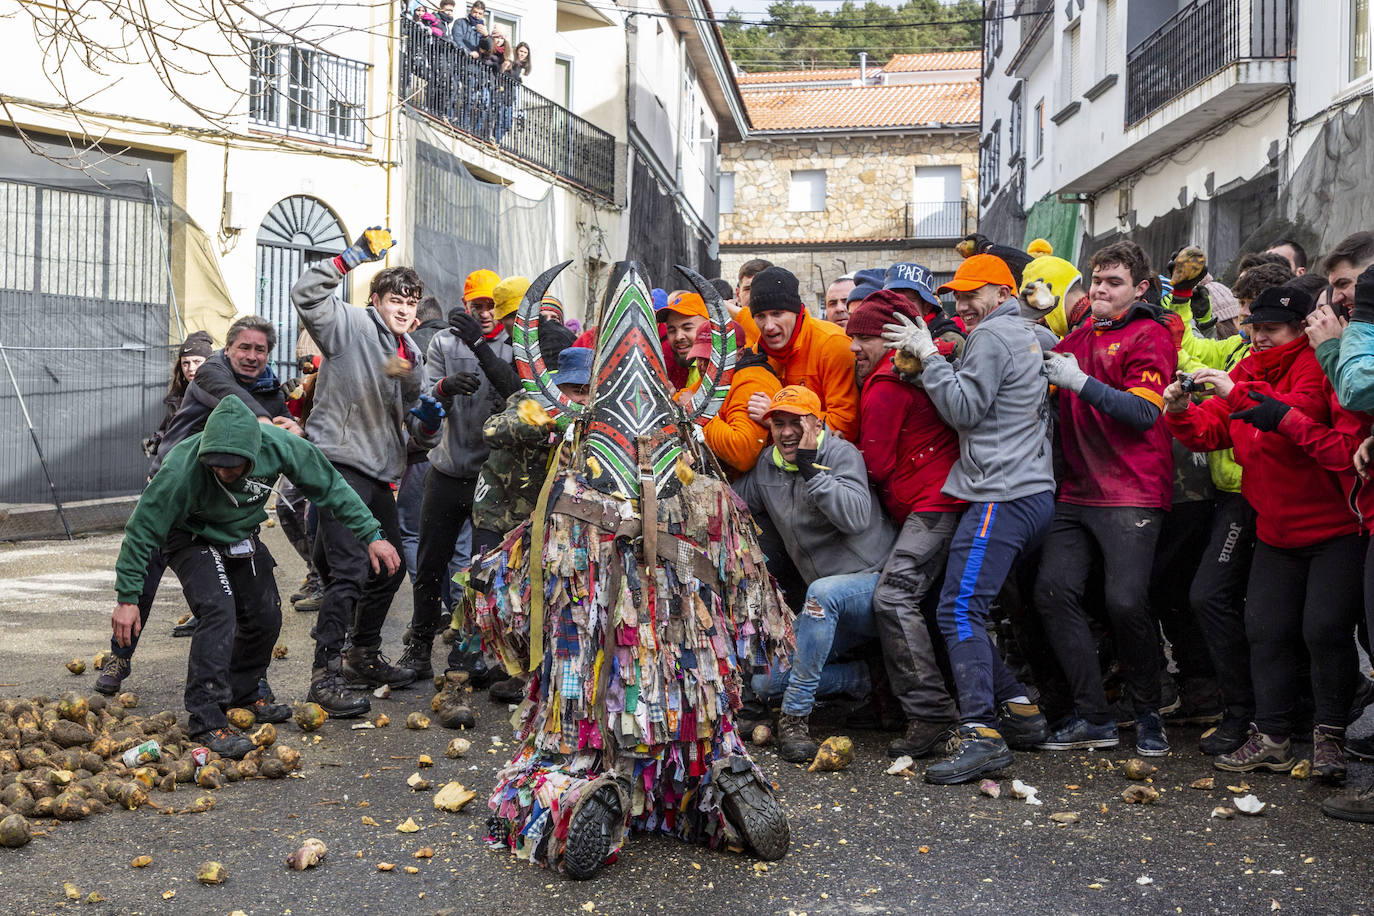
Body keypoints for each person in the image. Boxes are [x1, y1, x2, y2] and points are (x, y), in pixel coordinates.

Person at [111, 397, 400, 758]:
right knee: (218, 610)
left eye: (234, 468)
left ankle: (245, 693)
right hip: (189, 536)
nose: (224, 474)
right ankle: (206, 717)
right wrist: (127, 598)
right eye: (216, 466)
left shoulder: (280, 445)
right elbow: (141, 530)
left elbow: (330, 486)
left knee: (266, 613)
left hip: (240, 534)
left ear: (254, 452)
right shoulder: (182, 467)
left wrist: (372, 535)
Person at [1164, 284, 1365, 784]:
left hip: (1334, 529)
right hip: (1274, 528)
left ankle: (1329, 738)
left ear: (1301, 329)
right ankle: (1272, 738)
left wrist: (1245, 398)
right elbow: (1215, 429)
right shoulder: (1248, 368)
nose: (1257, 338)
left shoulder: (1319, 367)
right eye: (1253, 327)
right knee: (1266, 631)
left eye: (1270, 330)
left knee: (1323, 632)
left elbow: (1325, 436)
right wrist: (1179, 411)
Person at [880, 253, 1055, 784]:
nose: (961, 303)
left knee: (958, 610)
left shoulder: (991, 337)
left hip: (1001, 494)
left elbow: (965, 409)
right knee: (957, 606)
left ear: (1003, 293)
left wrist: (931, 359)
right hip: (1032, 492)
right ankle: (1021, 712)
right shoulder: (1030, 331)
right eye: (955, 294)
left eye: (972, 293)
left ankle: (981, 734)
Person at [291, 226, 444, 716]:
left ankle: (362, 654)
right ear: (376, 300)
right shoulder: (350, 327)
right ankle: (325, 674)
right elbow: (305, 293)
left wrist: (430, 418)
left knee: (390, 567)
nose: (404, 309)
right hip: (339, 463)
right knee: (351, 570)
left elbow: (415, 433)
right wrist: (352, 256)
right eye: (395, 299)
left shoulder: (412, 354)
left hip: (381, 472)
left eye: (411, 302)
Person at [1034, 241, 1177, 757]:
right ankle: (1093, 716)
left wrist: (1077, 380)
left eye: (1113, 281)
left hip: (1132, 490)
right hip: (1075, 491)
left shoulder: (1151, 334)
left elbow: (1143, 415)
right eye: (1095, 280)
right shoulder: (1076, 336)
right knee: (1052, 592)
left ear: (1139, 288)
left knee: (1124, 601)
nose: (1099, 289)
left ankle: (1148, 713)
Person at [735, 385, 897, 764]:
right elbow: (733, 500)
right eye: (779, 424)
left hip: (874, 583)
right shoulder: (768, 465)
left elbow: (856, 517)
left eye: (797, 423)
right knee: (764, 682)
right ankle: (862, 679)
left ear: (816, 422)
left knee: (821, 594)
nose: (787, 432)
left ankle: (795, 718)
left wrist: (811, 469)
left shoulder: (841, 454)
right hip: (825, 606)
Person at [847, 291, 964, 758]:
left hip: (932, 506)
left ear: (891, 337)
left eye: (866, 338)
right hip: (942, 499)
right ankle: (1002, 706)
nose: (854, 346)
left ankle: (931, 715)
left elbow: (873, 464)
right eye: (852, 336)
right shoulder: (911, 372)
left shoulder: (885, 384)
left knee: (894, 598)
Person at [398, 279, 514, 685]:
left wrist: (482, 353)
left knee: (481, 571)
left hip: (490, 476)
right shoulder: (444, 344)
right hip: (446, 469)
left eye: (491, 305)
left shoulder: (512, 346)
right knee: (430, 563)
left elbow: (520, 395)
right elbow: (426, 402)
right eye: (476, 305)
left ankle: (473, 651)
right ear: (464, 305)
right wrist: (445, 389)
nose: (484, 313)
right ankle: (419, 648)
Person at [468, 332, 581, 706]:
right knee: (486, 591)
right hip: (497, 516)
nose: (577, 397)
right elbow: (492, 430)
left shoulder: (591, 421)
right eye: (571, 389)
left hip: (541, 522)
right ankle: (474, 661)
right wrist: (547, 422)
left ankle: (521, 673)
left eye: (584, 390)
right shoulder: (530, 403)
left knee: (532, 597)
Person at [744, 266, 860, 440]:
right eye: (760, 316)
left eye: (777, 314)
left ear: (796, 312)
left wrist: (776, 418)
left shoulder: (833, 344)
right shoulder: (757, 354)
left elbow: (845, 427)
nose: (768, 326)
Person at [396, 296, 449, 581]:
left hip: (419, 452)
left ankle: (424, 601)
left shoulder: (408, 344)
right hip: (453, 457)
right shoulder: (457, 343)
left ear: (417, 319)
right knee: (450, 536)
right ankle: (449, 604)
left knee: (411, 530)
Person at [685, 321, 780, 477]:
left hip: (761, 484)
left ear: (739, 354)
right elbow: (684, 396)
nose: (703, 366)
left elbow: (742, 453)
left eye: (711, 358)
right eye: (700, 357)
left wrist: (695, 408)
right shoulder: (716, 375)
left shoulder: (752, 383)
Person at [144, 332, 213, 459]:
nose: (191, 368)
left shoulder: (216, 395)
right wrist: (156, 440)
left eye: (197, 361)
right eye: (185, 363)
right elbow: (170, 429)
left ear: (209, 362)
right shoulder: (177, 396)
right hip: (175, 463)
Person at [884, 262, 965, 357]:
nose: (899, 305)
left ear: (927, 307)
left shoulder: (950, 340)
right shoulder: (879, 335)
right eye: (893, 299)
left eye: (909, 300)